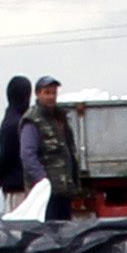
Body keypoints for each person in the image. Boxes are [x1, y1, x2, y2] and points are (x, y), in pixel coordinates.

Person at [31, 79, 85, 218]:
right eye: (47, 93)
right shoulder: (32, 120)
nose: (51, 97)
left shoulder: (60, 118)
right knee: (49, 232)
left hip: (64, 189)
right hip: (47, 192)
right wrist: (42, 180)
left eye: (53, 93)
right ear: (37, 94)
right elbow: (28, 154)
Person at [0, 76, 37, 210]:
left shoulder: (11, 122)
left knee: (15, 227)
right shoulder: (28, 120)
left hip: (15, 186)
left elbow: (5, 156)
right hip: (29, 184)